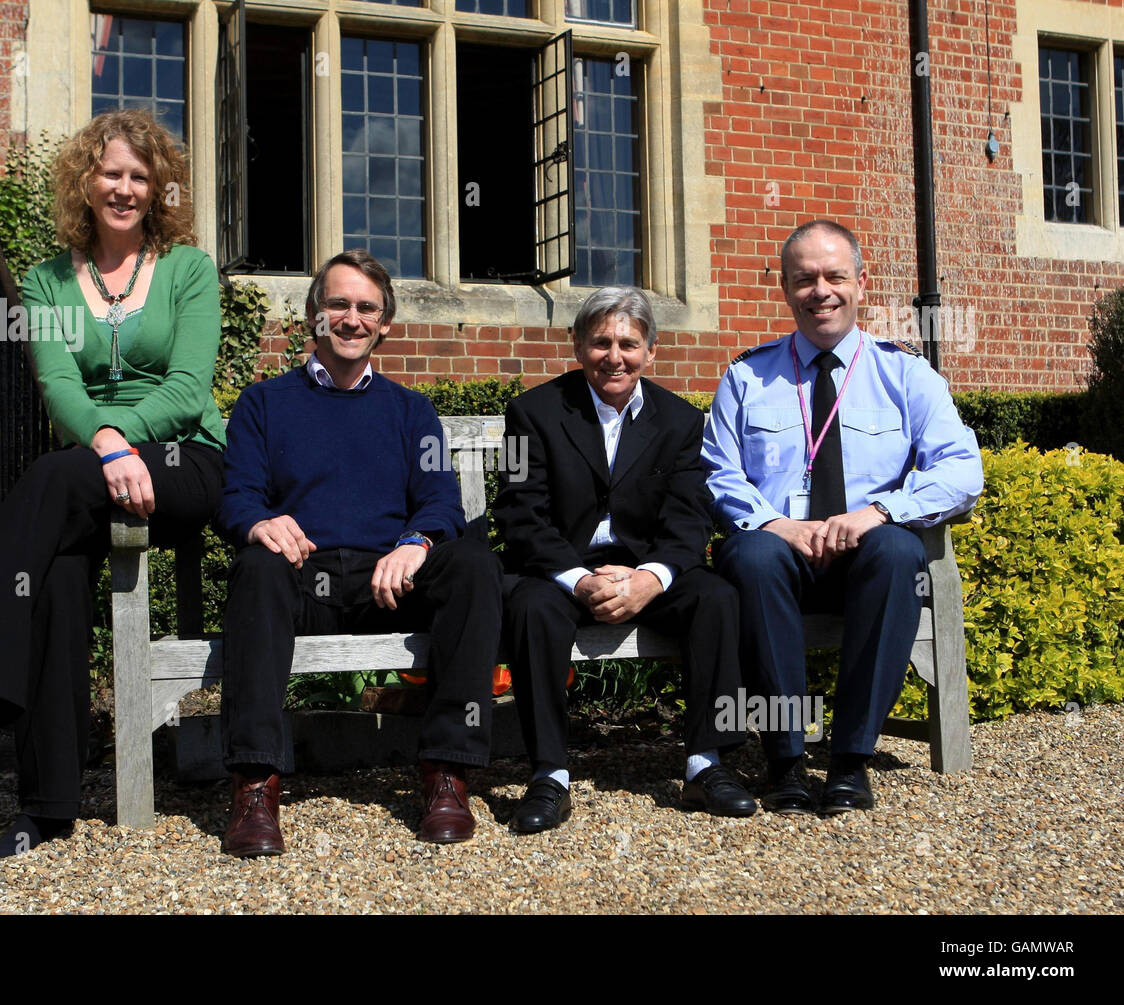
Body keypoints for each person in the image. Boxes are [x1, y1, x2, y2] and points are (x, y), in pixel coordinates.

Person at [0, 109, 226, 857]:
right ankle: (46, 804)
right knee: (57, 571)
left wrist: (118, 441)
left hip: (182, 462)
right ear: (85, 178)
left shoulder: (189, 271)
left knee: (51, 476)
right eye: (113, 172)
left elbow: (186, 387)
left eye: (142, 176)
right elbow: (60, 392)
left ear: (161, 189)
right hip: (96, 473)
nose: (126, 188)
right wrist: (107, 448)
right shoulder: (46, 282)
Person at [215, 249, 502, 856]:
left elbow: (441, 500)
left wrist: (414, 543)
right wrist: (260, 523)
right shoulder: (264, 403)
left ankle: (446, 773)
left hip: (387, 587)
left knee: (473, 563)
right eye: (338, 304)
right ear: (315, 315)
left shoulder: (410, 410)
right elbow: (236, 495)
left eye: (366, 307)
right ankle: (256, 784)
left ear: (384, 324)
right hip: (301, 580)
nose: (352, 318)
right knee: (256, 568)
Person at [701, 219, 983, 815]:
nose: (820, 290)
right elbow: (716, 474)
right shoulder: (747, 376)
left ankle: (851, 762)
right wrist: (773, 523)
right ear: (784, 288)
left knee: (900, 551)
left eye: (835, 276)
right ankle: (786, 761)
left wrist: (881, 511)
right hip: (779, 555)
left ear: (861, 282)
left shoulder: (905, 374)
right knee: (749, 555)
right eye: (804, 279)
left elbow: (962, 470)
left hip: (865, 554)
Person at [493, 286, 754, 835]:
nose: (615, 356)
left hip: (644, 570)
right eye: (601, 342)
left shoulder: (682, 421)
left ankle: (706, 763)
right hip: (560, 571)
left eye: (629, 344)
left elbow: (690, 518)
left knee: (716, 597)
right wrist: (580, 579)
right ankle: (550, 773)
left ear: (650, 352)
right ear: (577, 346)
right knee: (532, 609)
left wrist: (650, 578)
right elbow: (519, 515)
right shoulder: (529, 413)